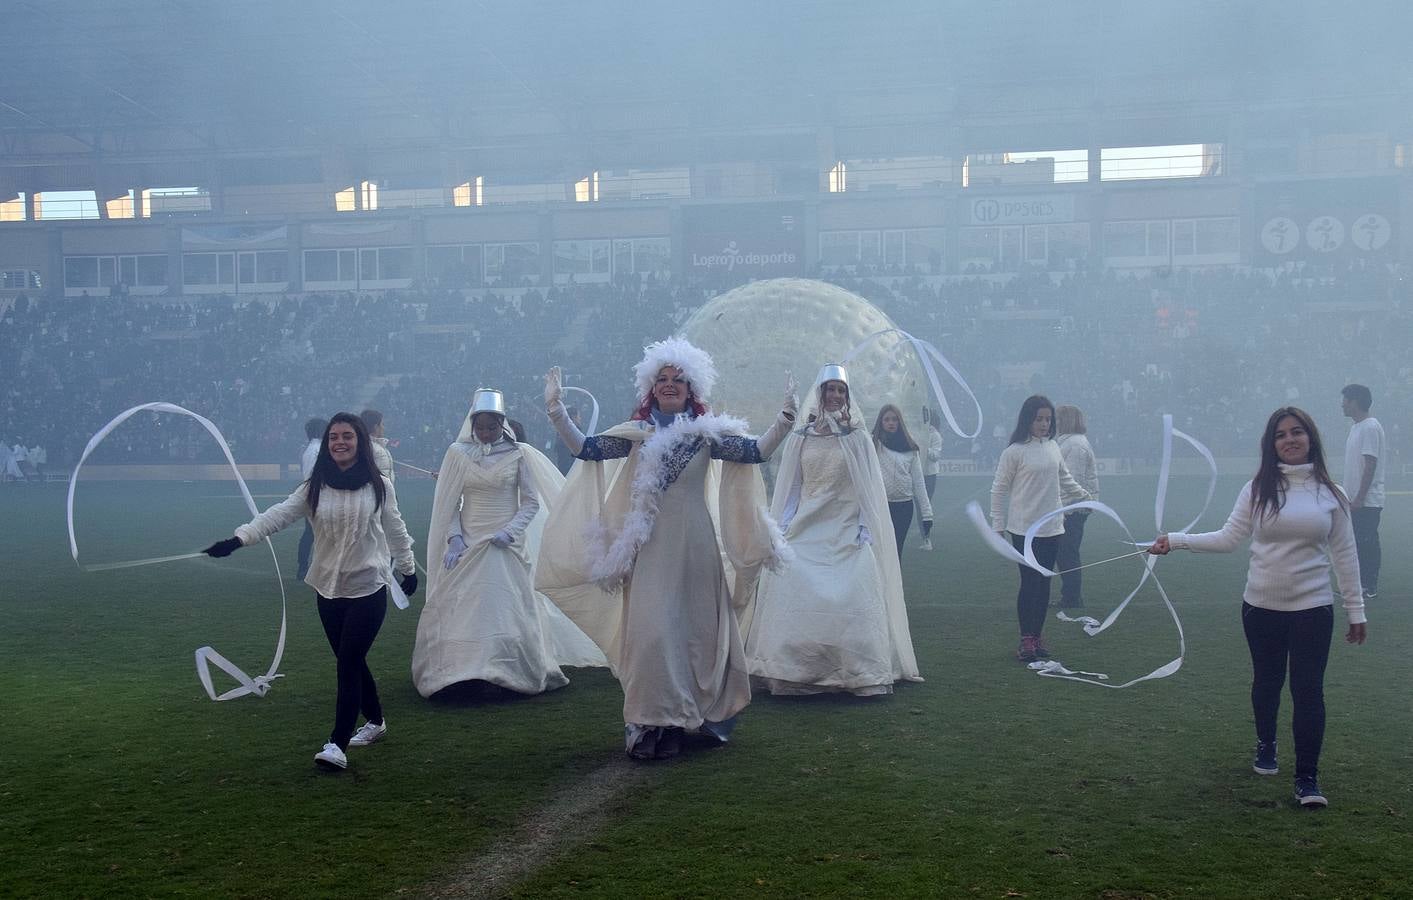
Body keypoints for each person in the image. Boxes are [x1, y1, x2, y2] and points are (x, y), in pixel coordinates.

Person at [536, 337, 793, 761]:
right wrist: (557, 411)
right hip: (650, 551)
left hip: (695, 551)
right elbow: (586, 448)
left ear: (692, 389)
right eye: (662, 379)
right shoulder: (636, 435)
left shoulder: (708, 436)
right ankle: (650, 722)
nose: (670, 385)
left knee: (692, 637)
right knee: (652, 637)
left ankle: (680, 722)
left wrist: (784, 419)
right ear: (650, 388)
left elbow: (754, 453)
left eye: (678, 379)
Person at [1149, 407, 1367, 808]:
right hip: (1261, 607)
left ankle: (1307, 778)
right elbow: (1229, 538)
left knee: (1308, 691)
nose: (1290, 439)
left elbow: (1345, 555)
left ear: (1310, 438)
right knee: (1267, 681)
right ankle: (1266, 743)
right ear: (1272, 445)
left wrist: (1356, 610)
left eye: (1296, 432)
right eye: (1281, 435)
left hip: (1313, 609)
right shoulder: (1256, 489)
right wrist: (1175, 540)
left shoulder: (1332, 493)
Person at [203, 413, 418, 772]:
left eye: (347, 436)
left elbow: (394, 527)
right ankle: (376, 721)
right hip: (328, 590)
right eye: (334, 436)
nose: (340, 442)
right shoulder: (314, 486)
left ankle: (336, 744)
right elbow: (277, 515)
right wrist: (238, 539)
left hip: (368, 587)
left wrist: (408, 568)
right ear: (326, 443)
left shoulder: (379, 485)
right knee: (351, 660)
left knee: (349, 661)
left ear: (359, 441)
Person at [746, 366, 923, 696]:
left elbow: (867, 488)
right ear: (821, 393)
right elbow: (793, 487)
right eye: (830, 390)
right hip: (807, 522)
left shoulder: (857, 437)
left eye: (841, 391)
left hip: (845, 525)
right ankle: (793, 668)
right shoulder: (802, 437)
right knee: (791, 578)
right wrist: (782, 528)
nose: (835, 396)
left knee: (855, 584)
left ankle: (856, 669)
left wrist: (864, 528)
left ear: (847, 395)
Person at [413, 389, 601, 698]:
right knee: (468, 607)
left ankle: (508, 670)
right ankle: (464, 671)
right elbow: (448, 503)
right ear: (472, 425)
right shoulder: (458, 453)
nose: (486, 434)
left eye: (492, 427)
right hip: (469, 543)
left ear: (502, 425)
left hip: (505, 542)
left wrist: (509, 532)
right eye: (481, 427)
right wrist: (456, 538)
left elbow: (529, 502)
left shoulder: (518, 454)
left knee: (504, 605)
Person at [990, 395, 1090, 662]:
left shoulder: (1053, 447)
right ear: (1028, 420)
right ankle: (1026, 639)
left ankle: (1037, 635)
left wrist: (1083, 494)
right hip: (1024, 529)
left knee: (1045, 582)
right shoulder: (1014, 452)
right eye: (1039, 419)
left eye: (1048, 419)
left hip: (1053, 527)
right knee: (1030, 583)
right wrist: (997, 524)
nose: (1044, 424)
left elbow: (1064, 477)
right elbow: (999, 489)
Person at [1340, 384, 1385, 600]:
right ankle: (1359, 585)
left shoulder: (1370, 427)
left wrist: (1359, 497)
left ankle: (1369, 585)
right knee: (1355, 543)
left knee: (1366, 542)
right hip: (1354, 500)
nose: (1343, 404)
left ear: (1355, 401)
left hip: (1366, 501)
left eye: (1346, 400)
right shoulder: (1356, 427)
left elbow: (1370, 465)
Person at [872, 404, 934, 559]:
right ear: (881, 422)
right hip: (881, 506)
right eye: (886, 420)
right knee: (880, 550)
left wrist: (927, 514)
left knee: (896, 550)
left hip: (904, 507)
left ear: (900, 422)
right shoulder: (873, 445)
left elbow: (919, 484)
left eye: (894, 419)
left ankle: (895, 583)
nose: (891, 423)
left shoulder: (911, 449)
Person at [1054, 404, 1098, 610]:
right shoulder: (1069, 443)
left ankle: (1072, 598)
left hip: (1072, 509)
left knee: (1067, 554)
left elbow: (1073, 482)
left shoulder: (1075, 445)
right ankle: (1070, 596)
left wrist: (1062, 510)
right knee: (1064, 553)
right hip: (1069, 508)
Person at [296, 417, 326, 580]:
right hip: (318, 496)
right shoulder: (317, 449)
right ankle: (305, 568)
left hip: (312, 495)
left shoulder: (311, 448)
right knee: (314, 534)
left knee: (310, 534)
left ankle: (303, 567)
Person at [920, 407, 944, 550]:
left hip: (929, 474)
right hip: (918, 473)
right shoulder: (917, 431)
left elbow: (936, 456)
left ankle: (927, 538)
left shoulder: (935, 435)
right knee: (919, 505)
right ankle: (925, 536)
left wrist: (923, 448)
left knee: (925, 504)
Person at [361, 408, 395, 483]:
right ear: (376, 427)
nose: (384, 427)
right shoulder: (368, 448)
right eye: (382, 424)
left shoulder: (379, 447)